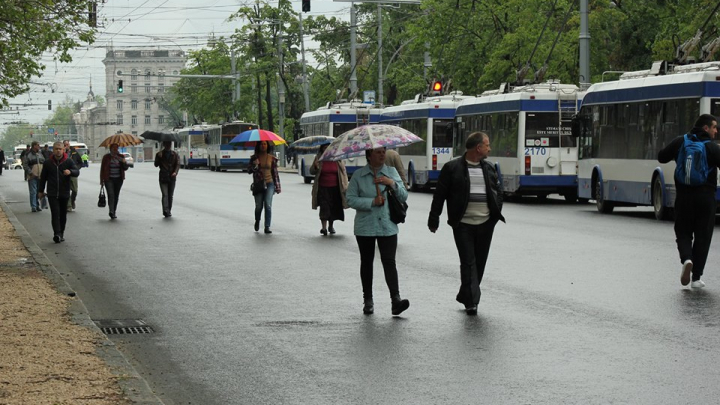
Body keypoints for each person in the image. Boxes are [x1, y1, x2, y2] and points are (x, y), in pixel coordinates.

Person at [427, 132, 505, 315]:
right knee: (468, 262)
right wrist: (434, 218)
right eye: (487, 145)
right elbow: (440, 194)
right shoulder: (452, 168)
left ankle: (466, 293)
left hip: (486, 223)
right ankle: (471, 302)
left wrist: (496, 212)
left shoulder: (489, 167)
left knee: (480, 263)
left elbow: (498, 191)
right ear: (478, 148)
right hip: (463, 224)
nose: (489, 148)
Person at [658, 114, 720, 288]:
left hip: (684, 197)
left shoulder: (681, 141)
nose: (716, 131)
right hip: (706, 198)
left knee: (683, 231)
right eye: (714, 127)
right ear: (706, 128)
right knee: (703, 235)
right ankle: (696, 277)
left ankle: (686, 259)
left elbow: (661, 157)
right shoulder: (712, 147)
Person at [346, 147, 410, 316]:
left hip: (387, 225)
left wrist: (392, 183)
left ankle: (395, 300)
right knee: (366, 262)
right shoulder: (359, 175)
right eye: (378, 152)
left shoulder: (391, 171)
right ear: (369, 155)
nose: (382, 155)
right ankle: (368, 300)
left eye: (384, 151)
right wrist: (372, 201)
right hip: (365, 226)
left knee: (389, 261)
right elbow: (350, 199)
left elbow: (404, 196)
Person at [37, 141, 79, 243]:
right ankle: (56, 234)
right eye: (56, 149)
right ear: (53, 150)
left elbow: (77, 172)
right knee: (55, 213)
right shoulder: (48, 163)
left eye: (60, 149)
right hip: (52, 193)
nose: (58, 151)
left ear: (63, 150)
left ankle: (61, 233)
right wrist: (41, 191)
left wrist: (70, 172)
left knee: (63, 214)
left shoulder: (68, 161)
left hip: (64, 192)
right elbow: (43, 178)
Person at [310, 144, 348, 235]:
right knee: (324, 207)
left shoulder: (337, 158)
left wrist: (345, 185)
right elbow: (312, 171)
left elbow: (343, 172)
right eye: (324, 147)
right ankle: (323, 228)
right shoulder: (319, 158)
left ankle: (331, 226)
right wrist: (315, 166)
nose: (326, 148)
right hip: (323, 187)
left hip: (336, 187)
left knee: (333, 207)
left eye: (328, 146)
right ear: (322, 148)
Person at [249, 141, 281, 234]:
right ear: (258, 146)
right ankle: (257, 220)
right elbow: (249, 171)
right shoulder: (254, 158)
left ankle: (267, 226)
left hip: (269, 184)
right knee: (259, 206)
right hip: (258, 184)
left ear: (267, 146)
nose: (263, 146)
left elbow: (275, 174)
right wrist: (255, 165)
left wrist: (277, 186)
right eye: (261, 144)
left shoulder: (272, 158)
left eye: (265, 144)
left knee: (268, 205)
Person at [100, 143, 129, 219]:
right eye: (114, 148)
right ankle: (111, 211)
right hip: (108, 179)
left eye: (116, 148)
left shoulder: (121, 157)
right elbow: (102, 169)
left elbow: (125, 168)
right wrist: (101, 180)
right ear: (110, 149)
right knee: (111, 195)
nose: (115, 149)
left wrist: (124, 162)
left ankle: (114, 210)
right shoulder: (106, 157)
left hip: (119, 179)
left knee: (116, 195)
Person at [154, 141, 180, 217]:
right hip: (163, 177)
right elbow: (156, 164)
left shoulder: (174, 154)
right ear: (164, 145)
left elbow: (177, 164)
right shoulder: (159, 154)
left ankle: (169, 210)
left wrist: (175, 172)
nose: (168, 145)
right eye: (167, 144)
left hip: (172, 177)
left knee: (170, 195)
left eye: (170, 144)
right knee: (165, 194)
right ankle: (165, 210)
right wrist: (159, 157)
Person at [22, 141, 45, 212]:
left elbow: (44, 162)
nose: (39, 146)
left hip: (40, 176)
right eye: (38, 145)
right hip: (32, 176)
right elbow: (25, 165)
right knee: (33, 191)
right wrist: (30, 173)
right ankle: (33, 206)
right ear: (34, 146)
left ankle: (37, 205)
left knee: (39, 191)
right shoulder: (28, 154)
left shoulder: (40, 154)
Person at [64, 140, 83, 211]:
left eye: (67, 144)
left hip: (73, 173)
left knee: (75, 190)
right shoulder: (62, 153)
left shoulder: (74, 152)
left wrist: (77, 168)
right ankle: (68, 206)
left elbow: (80, 162)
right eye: (65, 145)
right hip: (65, 173)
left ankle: (72, 200)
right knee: (67, 190)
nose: (66, 146)